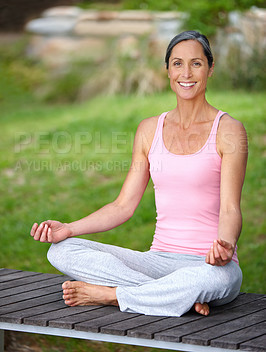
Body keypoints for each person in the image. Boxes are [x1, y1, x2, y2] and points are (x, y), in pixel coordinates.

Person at [30, 30, 248, 317]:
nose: (187, 72)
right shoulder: (149, 130)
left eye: (196, 63)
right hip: (157, 261)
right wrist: (69, 228)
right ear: (168, 70)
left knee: (211, 279)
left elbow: (231, 208)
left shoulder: (230, 130)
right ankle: (172, 295)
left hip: (209, 265)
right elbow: (123, 206)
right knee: (61, 251)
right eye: (177, 63)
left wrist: (226, 245)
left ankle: (112, 295)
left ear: (210, 68)